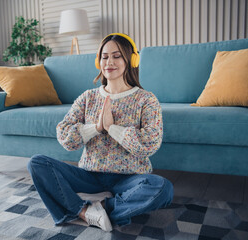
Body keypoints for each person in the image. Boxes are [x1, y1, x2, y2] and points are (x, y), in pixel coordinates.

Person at [27, 33, 173, 232]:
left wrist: (113, 129)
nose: (109, 62)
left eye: (117, 56)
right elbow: (65, 137)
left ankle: (100, 207)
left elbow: (150, 144)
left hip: (129, 179)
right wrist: (96, 128)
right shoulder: (88, 97)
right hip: (90, 175)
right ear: (98, 61)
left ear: (131, 60)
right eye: (104, 57)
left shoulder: (146, 99)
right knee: (37, 163)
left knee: (163, 189)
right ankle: (84, 212)